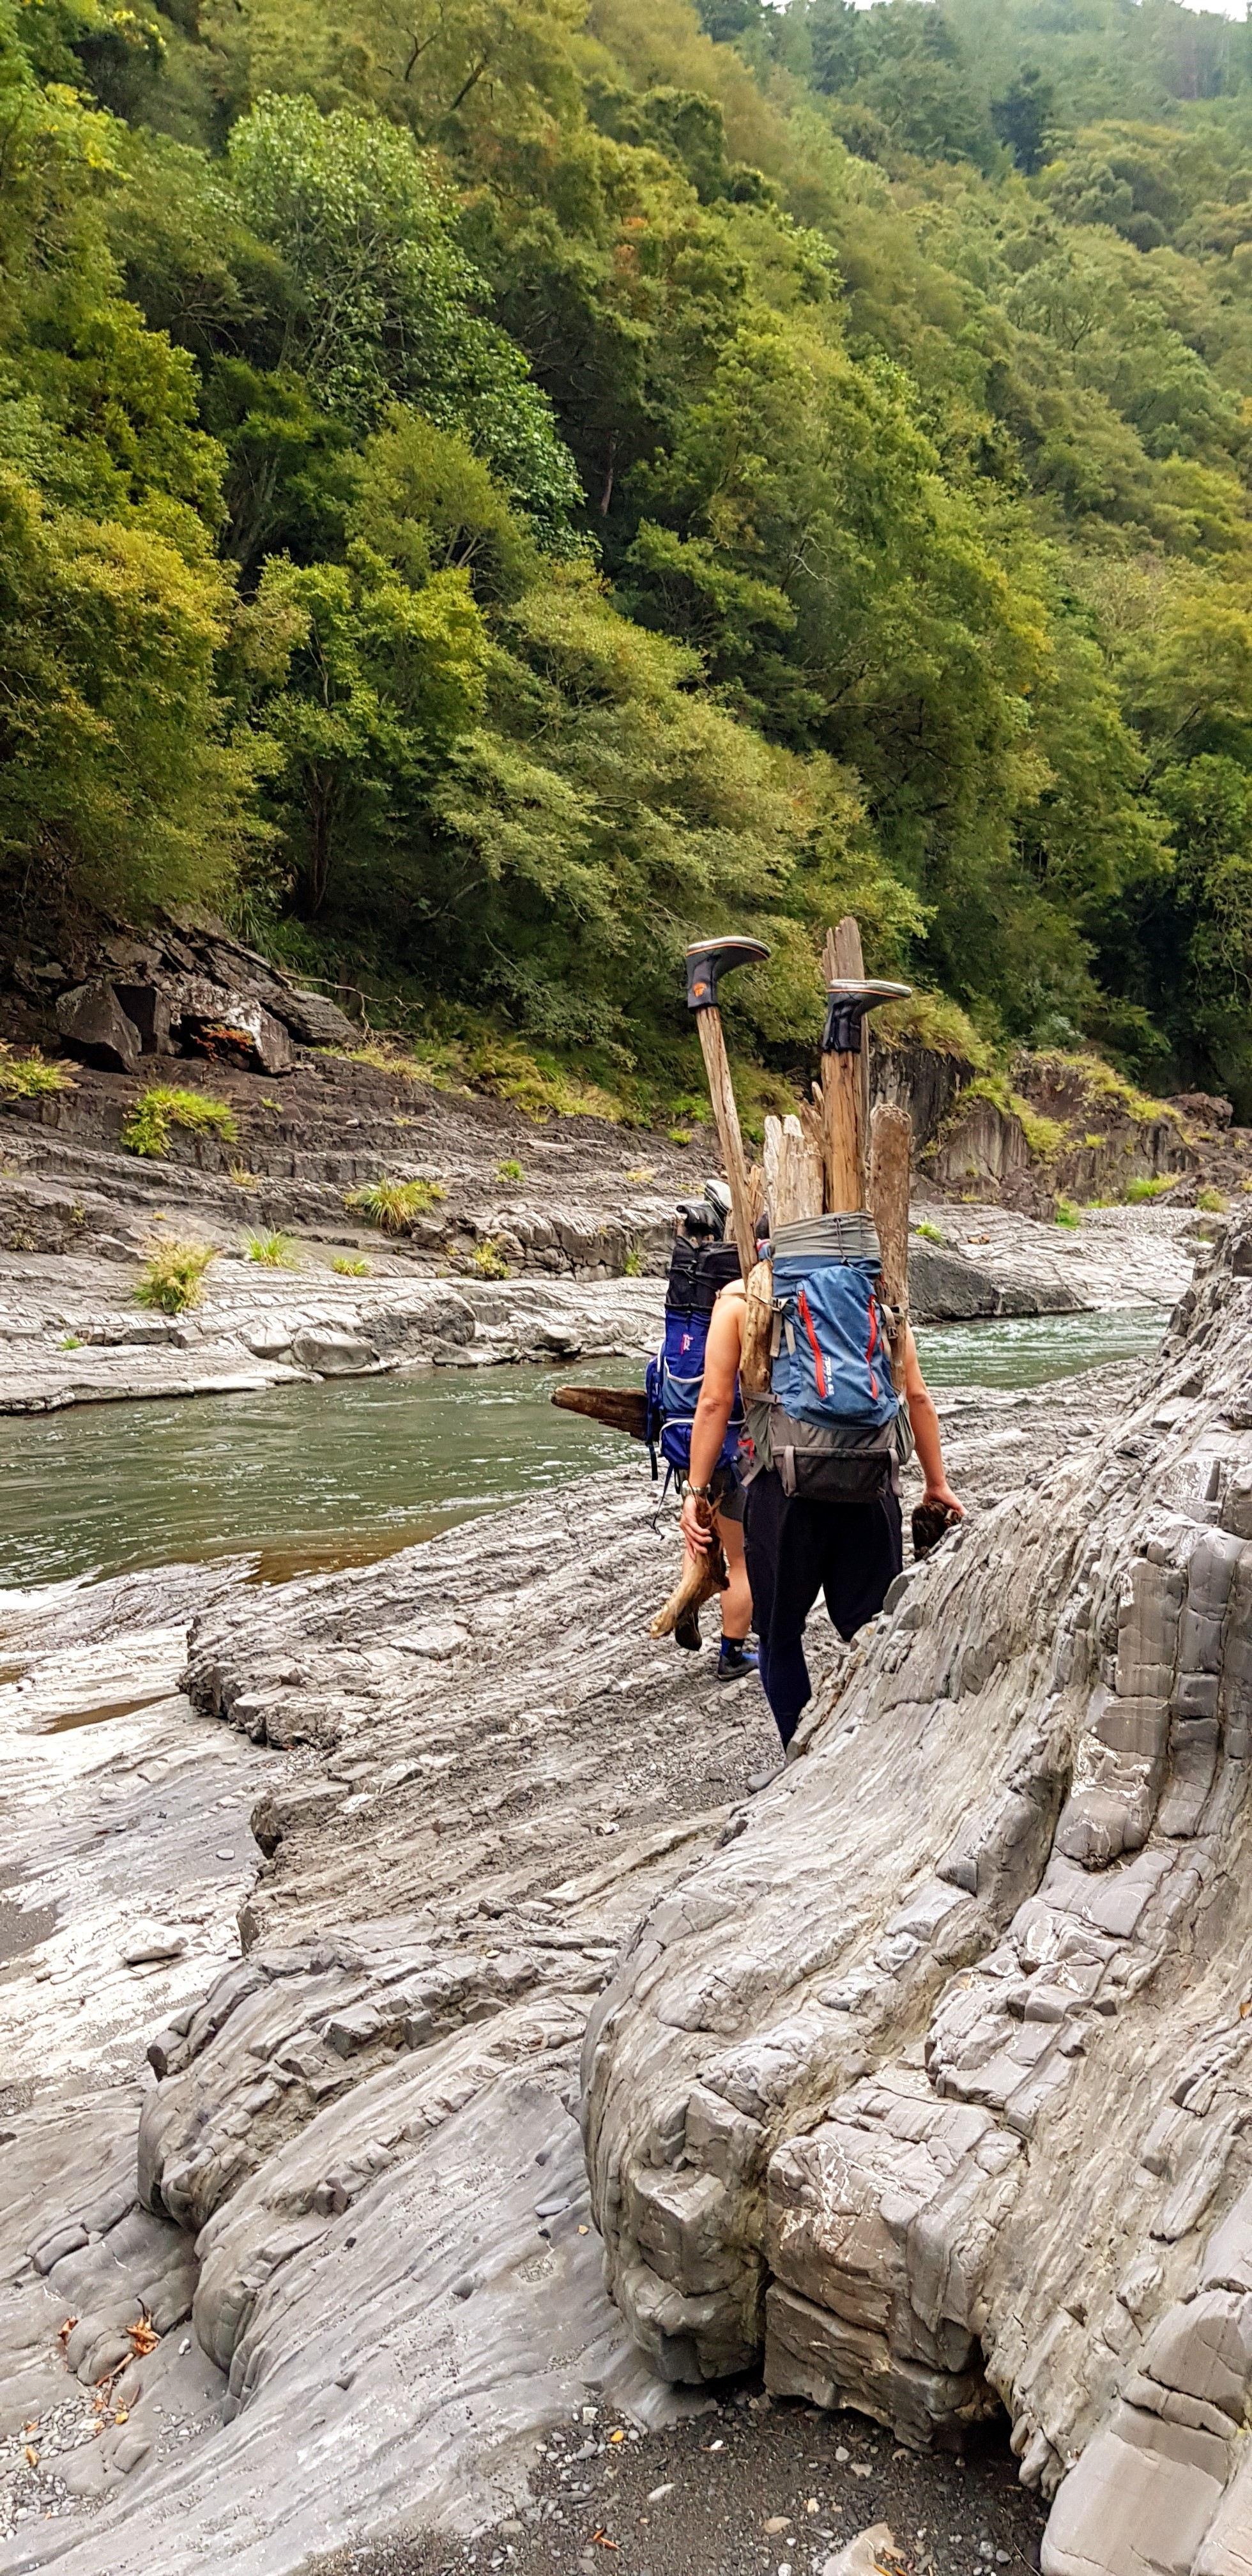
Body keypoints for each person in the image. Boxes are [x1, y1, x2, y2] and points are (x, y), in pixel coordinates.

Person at [679, 1275, 962, 1745]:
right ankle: (872, 1750)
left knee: (781, 1634)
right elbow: (917, 1398)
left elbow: (712, 1402)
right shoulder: (877, 1300)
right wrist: (936, 1484)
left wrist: (695, 1489)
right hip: (870, 1485)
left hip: (783, 1493)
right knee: (873, 1629)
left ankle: (798, 1755)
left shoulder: (744, 1302)